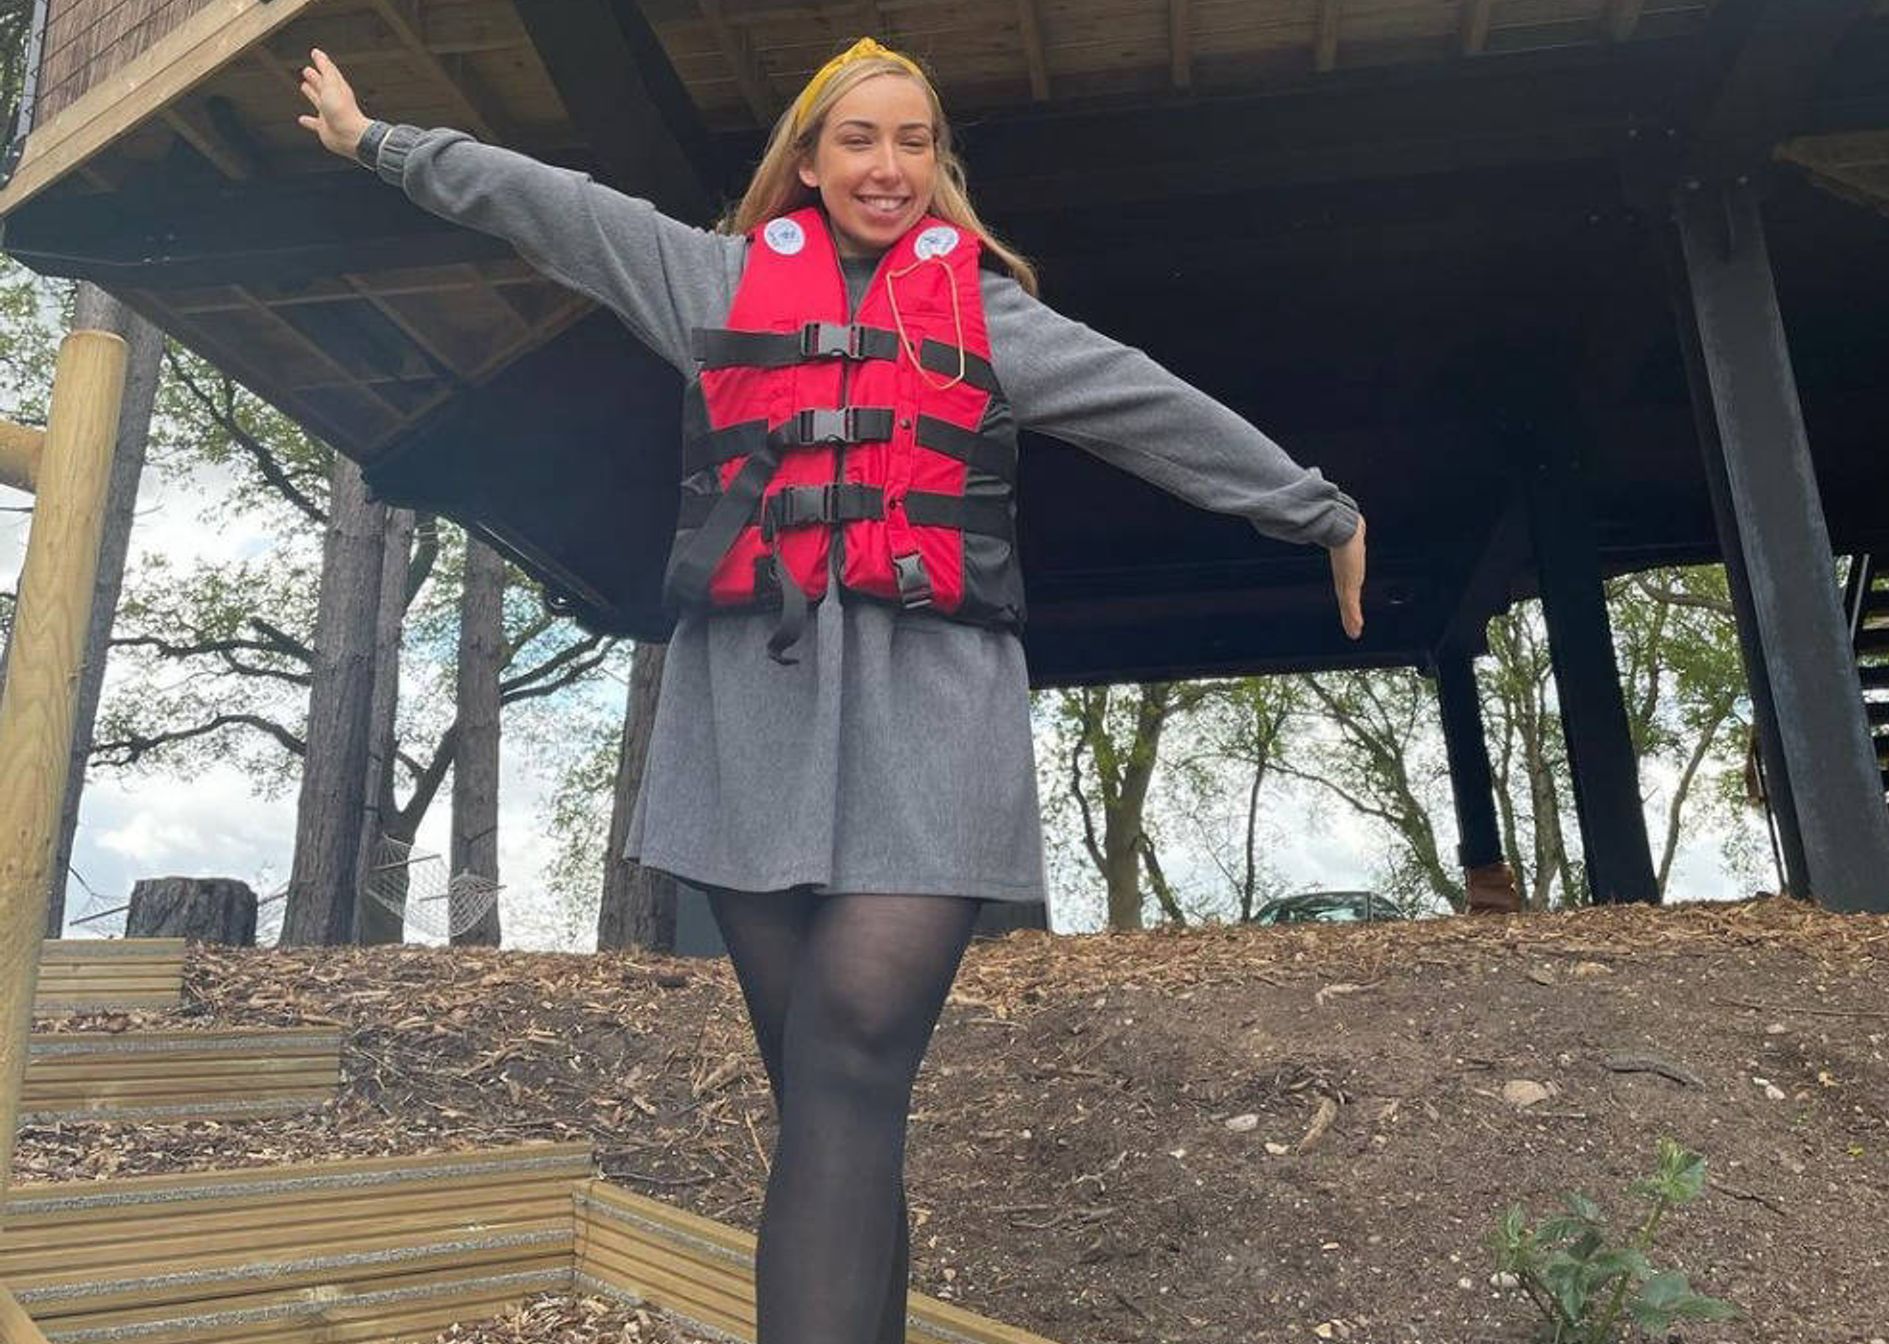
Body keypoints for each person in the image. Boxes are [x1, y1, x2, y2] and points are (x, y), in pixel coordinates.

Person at [299, 37, 1366, 1344]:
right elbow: (544, 204)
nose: (889, 165)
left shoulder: (992, 315)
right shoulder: (714, 278)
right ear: (807, 162)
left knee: (852, 1050)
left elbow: (1153, 406)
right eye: (860, 139)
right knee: (829, 1104)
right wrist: (377, 141)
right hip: (749, 711)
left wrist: (1314, 512)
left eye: (915, 142)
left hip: (935, 711)